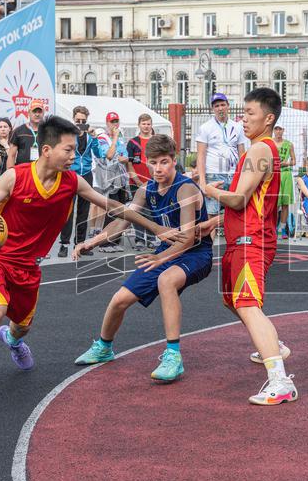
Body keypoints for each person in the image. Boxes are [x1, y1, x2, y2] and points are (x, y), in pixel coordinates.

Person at [0, 117, 179, 416]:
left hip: (28, 264)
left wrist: (156, 228)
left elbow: (114, 207)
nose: (73, 156)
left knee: (22, 326)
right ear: (46, 150)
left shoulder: (72, 182)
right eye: (68, 150)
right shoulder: (14, 178)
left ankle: (13, 340)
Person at [74, 133, 214, 381]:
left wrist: (161, 260)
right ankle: (104, 347)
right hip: (164, 253)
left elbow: (189, 238)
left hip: (195, 254)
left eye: (164, 162)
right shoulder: (146, 189)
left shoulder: (185, 189)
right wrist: (91, 241)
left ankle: (173, 356)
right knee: (119, 299)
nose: (158, 168)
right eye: (153, 163)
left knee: (166, 281)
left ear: (174, 160)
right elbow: (123, 221)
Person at [201, 88, 297, 405]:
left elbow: (240, 198)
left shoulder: (260, 151)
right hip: (241, 237)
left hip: (250, 240)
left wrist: (208, 190)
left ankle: (280, 381)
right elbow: (249, 201)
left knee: (245, 302)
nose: (243, 119)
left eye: (250, 114)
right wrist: (218, 220)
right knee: (233, 301)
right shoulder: (257, 150)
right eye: (243, 112)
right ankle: (273, 344)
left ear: (268, 119)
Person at [195, 93, 247, 220]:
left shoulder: (238, 127)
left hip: (234, 174)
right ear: (213, 108)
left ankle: (233, 239)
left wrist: (244, 175)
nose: (220, 108)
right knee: (212, 214)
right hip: (213, 175)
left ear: (228, 106)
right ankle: (210, 240)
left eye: (223, 105)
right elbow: (200, 156)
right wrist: (202, 182)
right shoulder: (205, 128)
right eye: (216, 106)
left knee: (236, 211)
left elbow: (242, 154)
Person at [58, 106, 100, 258]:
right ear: (73, 120)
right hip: (70, 174)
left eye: (83, 121)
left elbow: (99, 154)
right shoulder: (68, 135)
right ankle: (64, 244)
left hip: (86, 174)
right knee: (67, 210)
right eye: (78, 121)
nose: (80, 123)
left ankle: (80, 243)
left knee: (84, 211)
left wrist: (94, 138)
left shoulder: (90, 137)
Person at [92, 111, 131, 253]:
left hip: (120, 177)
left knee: (120, 210)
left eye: (116, 121)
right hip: (107, 178)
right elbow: (108, 155)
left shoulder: (120, 139)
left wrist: (124, 158)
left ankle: (114, 239)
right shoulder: (103, 137)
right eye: (112, 122)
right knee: (111, 210)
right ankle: (104, 242)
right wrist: (114, 139)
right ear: (107, 123)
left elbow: (125, 156)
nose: (115, 124)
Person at [126, 113, 155, 250]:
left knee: (151, 211)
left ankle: (151, 238)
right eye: (143, 124)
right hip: (135, 182)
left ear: (151, 125)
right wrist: (137, 180)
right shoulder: (132, 142)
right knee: (137, 211)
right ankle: (139, 239)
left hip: (153, 182)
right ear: (139, 125)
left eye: (148, 124)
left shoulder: (156, 141)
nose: (146, 126)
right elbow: (129, 163)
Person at [274, 125, 297, 239]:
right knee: (274, 204)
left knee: (285, 204)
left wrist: (285, 163)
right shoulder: (269, 143)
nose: (278, 131)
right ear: (273, 130)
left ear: (283, 130)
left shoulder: (289, 144)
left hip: (286, 174)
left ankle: (283, 229)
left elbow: (294, 161)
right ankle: (273, 228)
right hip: (273, 174)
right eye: (276, 129)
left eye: (280, 129)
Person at [7, 100, 45, 167]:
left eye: (40, 112)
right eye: (34, 111)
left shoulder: (48, 131)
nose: (37, 114)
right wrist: (11, 173)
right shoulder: (18, 131)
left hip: (41, 172)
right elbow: (11, 155)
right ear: (29, 113)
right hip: (23, 171)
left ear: (43, 113)